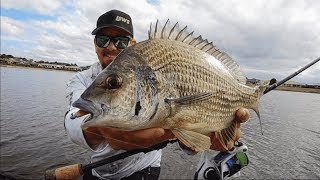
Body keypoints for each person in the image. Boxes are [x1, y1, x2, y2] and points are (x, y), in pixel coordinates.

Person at [64, 9, 250, 180]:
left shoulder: (149, 65)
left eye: (121, 41)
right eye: (103, 39)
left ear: (132, 44)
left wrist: (196, 140)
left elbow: (187, 138)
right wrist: (97, 129)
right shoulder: (81, 79)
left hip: (144, 170)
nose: (112, 47)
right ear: (95, 43)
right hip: (98, 171)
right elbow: (73, 119)